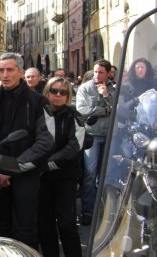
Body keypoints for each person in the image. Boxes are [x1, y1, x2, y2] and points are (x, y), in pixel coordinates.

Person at [0, 52, 54, 249]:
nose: (5, 74)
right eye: (1, 70)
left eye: (10, 70)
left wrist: (10, 169)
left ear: (20, 72)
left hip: (25, 176)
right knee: (1, 229)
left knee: (25, 230)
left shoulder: (37, 102)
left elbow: (45, 142)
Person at [38, 77, 85, 257]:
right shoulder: (38, 114)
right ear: (47, 92)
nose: (57, 95)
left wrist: (48, 163)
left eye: (62, 92)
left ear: (68, 96)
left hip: (65, 175)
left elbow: (74, 146)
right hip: (42, 176)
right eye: (54, 91)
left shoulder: (75, 115)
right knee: (44, 223)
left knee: (66, 222)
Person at [76, 59, 115, 226]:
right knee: (90, 175)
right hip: (92, 137)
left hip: (110, 136)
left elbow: (117, 109)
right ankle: (88, 212)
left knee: (105, 176)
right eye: (95, 71)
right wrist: (104, 110)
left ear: (108, 74)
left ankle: (105, 211)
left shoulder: (113, 88)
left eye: (101, 72)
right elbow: (82, 110)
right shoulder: (85, 88)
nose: (97, 75)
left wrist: (106, 96)